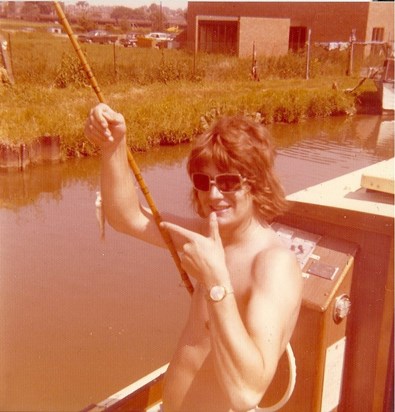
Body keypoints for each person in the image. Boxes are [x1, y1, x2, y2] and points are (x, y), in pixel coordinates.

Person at [85, 103, 303, 412]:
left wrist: (216, 282)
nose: (213, 195)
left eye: (228, 181)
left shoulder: (272, 265)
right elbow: (126, 217)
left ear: (256, 183)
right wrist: (113, 146)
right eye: (204, 182)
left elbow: (248, 392)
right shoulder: (208, 235)